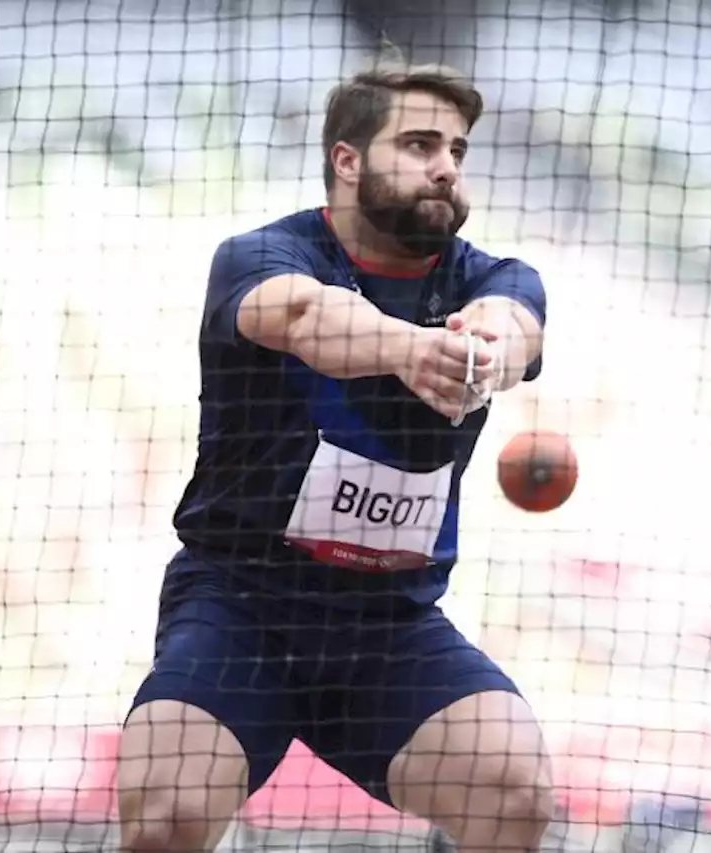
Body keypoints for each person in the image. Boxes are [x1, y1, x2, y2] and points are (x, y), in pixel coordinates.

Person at [117, 61, 553, 853]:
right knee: (166, 814)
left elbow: (512, 324)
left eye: (456, 148)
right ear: (347, 159)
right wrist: (411, 350)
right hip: (241, 611)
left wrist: (489, 350)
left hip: (388, 628)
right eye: (419, 144)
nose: (446, 166)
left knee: (515, 791)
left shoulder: (490, 277)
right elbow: (305, 316)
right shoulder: (260, 256)